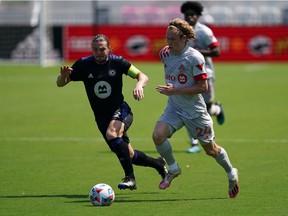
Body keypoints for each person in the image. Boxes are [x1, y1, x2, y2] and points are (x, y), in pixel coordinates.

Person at [56, 34, 167, 190]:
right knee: (128, 155)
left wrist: (139, 85)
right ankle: (158, 164)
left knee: (112, 134)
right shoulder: (83, 64)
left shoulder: (118, 62)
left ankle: (130, 178)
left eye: (102, 49)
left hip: (121, 110)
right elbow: (61, 84)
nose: (99, 52)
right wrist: (63, 76)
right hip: (101, 118)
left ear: (109, 48)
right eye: (95, 49)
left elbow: (142, 76)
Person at [153, 18, 239, 198]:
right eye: (167, 38)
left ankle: (231, 173)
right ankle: (173, 169)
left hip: (195, 112)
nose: (169, 43)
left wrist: (176, 89)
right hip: (174, 107)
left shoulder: (194, 57)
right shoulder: (165, 53)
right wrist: (174, 92)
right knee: (158, 135)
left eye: (173, 39)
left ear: (184, 38)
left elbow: (203, 87)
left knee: (211, 150)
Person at [180, 1, 225, 154]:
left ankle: (216, 109)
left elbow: (216, 51)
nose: (190, 17)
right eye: (187, 15)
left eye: (193, 15)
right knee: (187, 108)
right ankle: (194, 143)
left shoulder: (204, 32)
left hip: (206, 74)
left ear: (198, 16)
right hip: (187, 75)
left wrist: (197, 53)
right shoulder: (180, 32)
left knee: (204, 109)